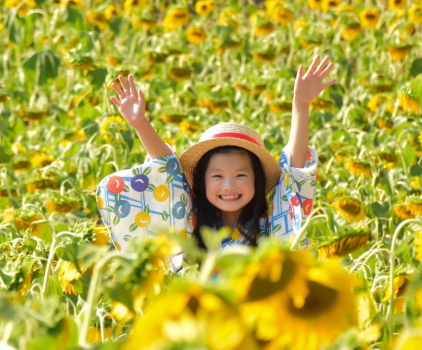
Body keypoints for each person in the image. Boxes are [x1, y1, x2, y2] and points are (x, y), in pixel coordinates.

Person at [96, 55, 336, 258]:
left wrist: (300, 105)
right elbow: (166, 170)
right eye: (218, 176)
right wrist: (139, 123)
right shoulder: (190, 218)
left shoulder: (271, 221)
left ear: (258, 179)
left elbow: (293, 173)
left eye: (241, 175)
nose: (229, 185)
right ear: (202, 181)